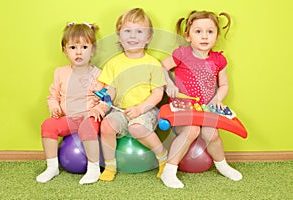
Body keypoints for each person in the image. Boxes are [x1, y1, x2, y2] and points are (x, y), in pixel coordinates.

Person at [161, 10, 242, 188]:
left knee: (212, 134)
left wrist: (217, 99)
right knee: (191, 131)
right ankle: (169, 171)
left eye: (210, 32)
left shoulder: (219, 60)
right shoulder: (182, 54)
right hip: (182, 107)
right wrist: (169, 84)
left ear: (216, 36)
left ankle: (222, 165)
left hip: (205, 109)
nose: (204, 36)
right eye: (198, 31)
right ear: (188, 36)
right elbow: (161, 67)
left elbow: (224, 85)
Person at [98, 8, 168, 182]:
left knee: (136, 127)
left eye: (139, 32)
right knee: (106, 126)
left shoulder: (153, 63)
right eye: (127, 31)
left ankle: (163, 158)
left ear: (148, 37)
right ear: (119, 36)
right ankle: (110, 165)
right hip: (119, 110)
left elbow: (158, 93)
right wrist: (102, 99)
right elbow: (110, 89)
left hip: (146, 110)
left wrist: (140, 108)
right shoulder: (113, 64)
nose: (133, 36)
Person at [36, 22, 108, 184]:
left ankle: (94, 168)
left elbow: (107, 98)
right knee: (48, 125)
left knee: (87, 126)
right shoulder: (60, 73)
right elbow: (52, 96)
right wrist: (55, 108)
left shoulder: (98, 74)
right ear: (65, 50)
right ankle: (52, 166)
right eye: (73, 47)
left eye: (84, 47)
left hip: (88, 118)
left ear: (93, 50)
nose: (79, 52)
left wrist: (99, 108)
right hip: (68, 119)